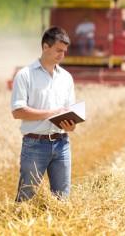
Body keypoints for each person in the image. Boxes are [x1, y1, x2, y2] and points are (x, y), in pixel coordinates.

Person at [11, 26, 77, 202]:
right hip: (34, 145)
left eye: (64, 51)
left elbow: (68, 111)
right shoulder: (25, 75)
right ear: (45, 47)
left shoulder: (66, 78)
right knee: (26, 198)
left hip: (62, 144)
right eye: (58, 50)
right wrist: (52, 113)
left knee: (62, 200)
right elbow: (17, 111)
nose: (62, 55)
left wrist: (71, 124)